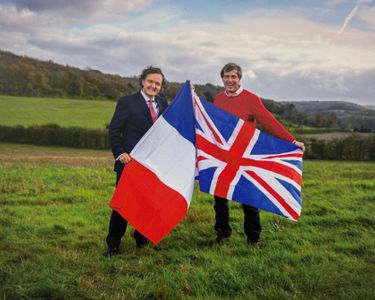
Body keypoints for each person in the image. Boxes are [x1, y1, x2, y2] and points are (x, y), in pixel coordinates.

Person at [212, 62, 305, 246]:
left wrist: (291, 141)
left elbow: (269, 121)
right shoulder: (218, 99)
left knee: (249, 199)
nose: (230, 80)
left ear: (239, 79)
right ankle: (222, 233)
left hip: (245, 157)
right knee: (220, 197)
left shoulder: (251, 99)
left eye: (234, 77)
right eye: (227, 77)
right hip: (223, 157)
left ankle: (253, 238)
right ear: (222, 78)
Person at [103, 66, 168, 257]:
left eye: (157, 83)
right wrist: (120, 153)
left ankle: (141, 239)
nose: (153, 86)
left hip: (152, 165)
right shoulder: (127, 102)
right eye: (150, 81)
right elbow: (114, 131)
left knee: (147, 203)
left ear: (161, 86)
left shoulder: (164, 104)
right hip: (129, 163)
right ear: (142, 81)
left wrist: (190, 96)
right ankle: (113, 244)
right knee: (123, 205)